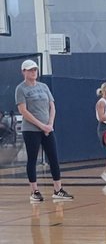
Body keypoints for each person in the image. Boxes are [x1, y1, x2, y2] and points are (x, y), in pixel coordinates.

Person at [15, 59, 72, 203]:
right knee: (32, 159)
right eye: (30, 70)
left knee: (53, 158)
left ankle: (58, 189)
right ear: (24, 72)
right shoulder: (21, 89)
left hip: (47, 129)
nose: (33, 72)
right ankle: (34, 191)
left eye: (35, 69)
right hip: (31, 130)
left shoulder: (44, 86)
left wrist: (50, 124)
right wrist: (41, 125)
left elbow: (52, 106)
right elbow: (23, 111)